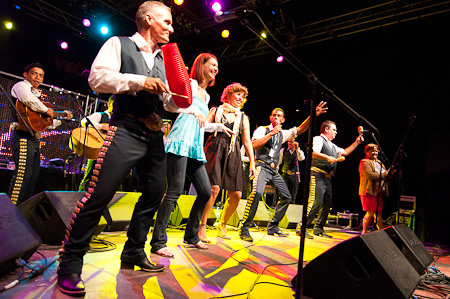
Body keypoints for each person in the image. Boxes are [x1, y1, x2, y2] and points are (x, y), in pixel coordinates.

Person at [56, 2, 184, 296]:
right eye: (166, 21)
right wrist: (140, 81)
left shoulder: (165, 61)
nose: (171, 27)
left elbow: (170, 105)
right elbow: (97, 78)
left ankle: (134, 252)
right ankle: (70, 265)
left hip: (153, 136)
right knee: (99, 195)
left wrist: (180, 93)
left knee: (154, 193)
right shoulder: (119, 44)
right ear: (148, 19)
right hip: (124, 129)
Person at [150, 53, 234, 258]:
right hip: (180, 141)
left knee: (205, 192)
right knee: (174, 191)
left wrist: (219, 126)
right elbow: (169, 104)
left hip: (194, 146)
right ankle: (158, 241)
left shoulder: (206, 95)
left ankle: (191, 235)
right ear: (201, 65)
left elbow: (201, 123)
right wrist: (189, 110)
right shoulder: (189, 83)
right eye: (212, 64)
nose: (216, 69)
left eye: (217, 66)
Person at [240, 103, 327, 242]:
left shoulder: (283, 133)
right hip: (262, 166)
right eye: (274, 115)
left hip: (274, 171)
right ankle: (244, 228)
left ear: (283, 120)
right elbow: (254, 145)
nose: (276, 117)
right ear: (270, 117)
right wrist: (271, 133)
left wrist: (313, 115)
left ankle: (273, 226)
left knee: (286, 196)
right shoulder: (262, 130)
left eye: (279, 116)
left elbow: (301, 129)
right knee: (256, 192)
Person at [8, 63, 71, 206]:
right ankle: (11, 211)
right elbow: (29, 100)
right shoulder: (21, 86)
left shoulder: (37, 95)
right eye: (34, 73)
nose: (38, 77)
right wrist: (47, 111)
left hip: (34, 138)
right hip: (22, 136)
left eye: (41, 75)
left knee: (33, 176)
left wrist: (57, 118)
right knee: (22, 176)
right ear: (26, 74)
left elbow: (39, 122)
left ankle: (23, 210)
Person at [200, 83, 256, 241]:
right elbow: (202, 126)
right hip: (215, 149)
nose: (240, 98)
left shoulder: (243, 117)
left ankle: (222, 223)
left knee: (237, 194)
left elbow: (247, 142)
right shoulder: (216, 110)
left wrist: (252, 163)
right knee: (213, 189)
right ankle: (202, 226)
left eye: (243, 96)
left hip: (232, 152)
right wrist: (217, 125)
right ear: (229, 94)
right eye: (237, 94)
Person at [301, 120, 364, 239]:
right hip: (317, 175)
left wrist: (356, 143)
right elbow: (313, 153)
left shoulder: (332, 145)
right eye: (334, 130)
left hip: (326, 179)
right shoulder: (318, 139)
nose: (336, 132)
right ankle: (302, 227)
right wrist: (328, 157)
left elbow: (344, 152)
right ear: (326, 129)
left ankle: (318, 228)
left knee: (327, 203)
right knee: (315, 201)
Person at [77, 97, 113, 192]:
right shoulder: (100, 115)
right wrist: (102, 126)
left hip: (111, 154)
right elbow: (84, 122)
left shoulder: (118, 121)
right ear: (109, 104)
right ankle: (78, 198)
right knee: (89, 177)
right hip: (97, 152)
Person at [359, 143, 392, 235]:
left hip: (379, 191)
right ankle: (364, 232)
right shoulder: (364, 162)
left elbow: (385, 177)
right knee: (370, 212)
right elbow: (370, 175)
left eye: (376, 151)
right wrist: (385, 175)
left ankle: (382, 233)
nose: (375, 153)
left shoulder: (379, 163)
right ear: (367, 151)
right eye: (372, 151)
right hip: (369, 191)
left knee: (379, 213)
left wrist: (390, 174)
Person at [279, 139, 305, 205]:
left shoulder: (298, 152)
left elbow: (301, 158)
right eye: (288, 141)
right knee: (283, 193)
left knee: (293, 195)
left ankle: (291, 210)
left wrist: (298, 148)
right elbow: (279, 162)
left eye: (291, 142)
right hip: (285, 174)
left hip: (294, 176)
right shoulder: (283, 150)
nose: (289, 143)